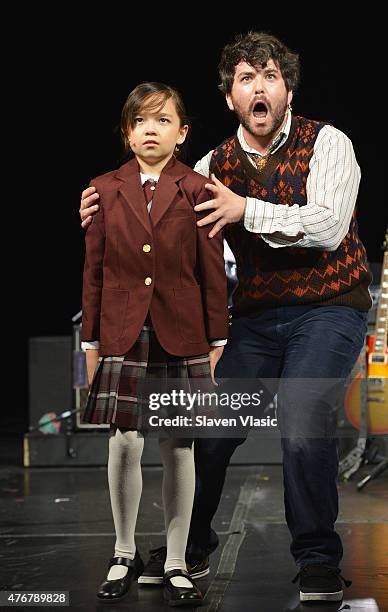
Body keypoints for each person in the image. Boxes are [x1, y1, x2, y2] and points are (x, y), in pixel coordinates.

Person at [80, 33, 372, 604]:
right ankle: (188, 546)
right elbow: (153, 218)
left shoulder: (327, 142)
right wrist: (100, 207)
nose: (259, 87)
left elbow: (329, 225)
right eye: (246, 78)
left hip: (330, 309)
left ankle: (316, 559)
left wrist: (246, 208)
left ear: (287, 89)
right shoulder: (213, 165)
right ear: (230, 97)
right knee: (204, 429)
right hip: (258, 318)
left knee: (302, 420)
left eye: (269, 76)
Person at [81, 81, 229, 606]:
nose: (151, 128)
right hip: (124, 331)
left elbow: (211, 271)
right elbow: (94, 271)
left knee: (179, 443)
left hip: (181, 330)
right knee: (124, 441)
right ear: (127, 132)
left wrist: (217, 336)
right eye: (141, 120)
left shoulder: (196, 189)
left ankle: (173, 558)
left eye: (163, 120)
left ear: (182, 133)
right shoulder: (103, 188)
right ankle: (123, 551)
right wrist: (90, 339)